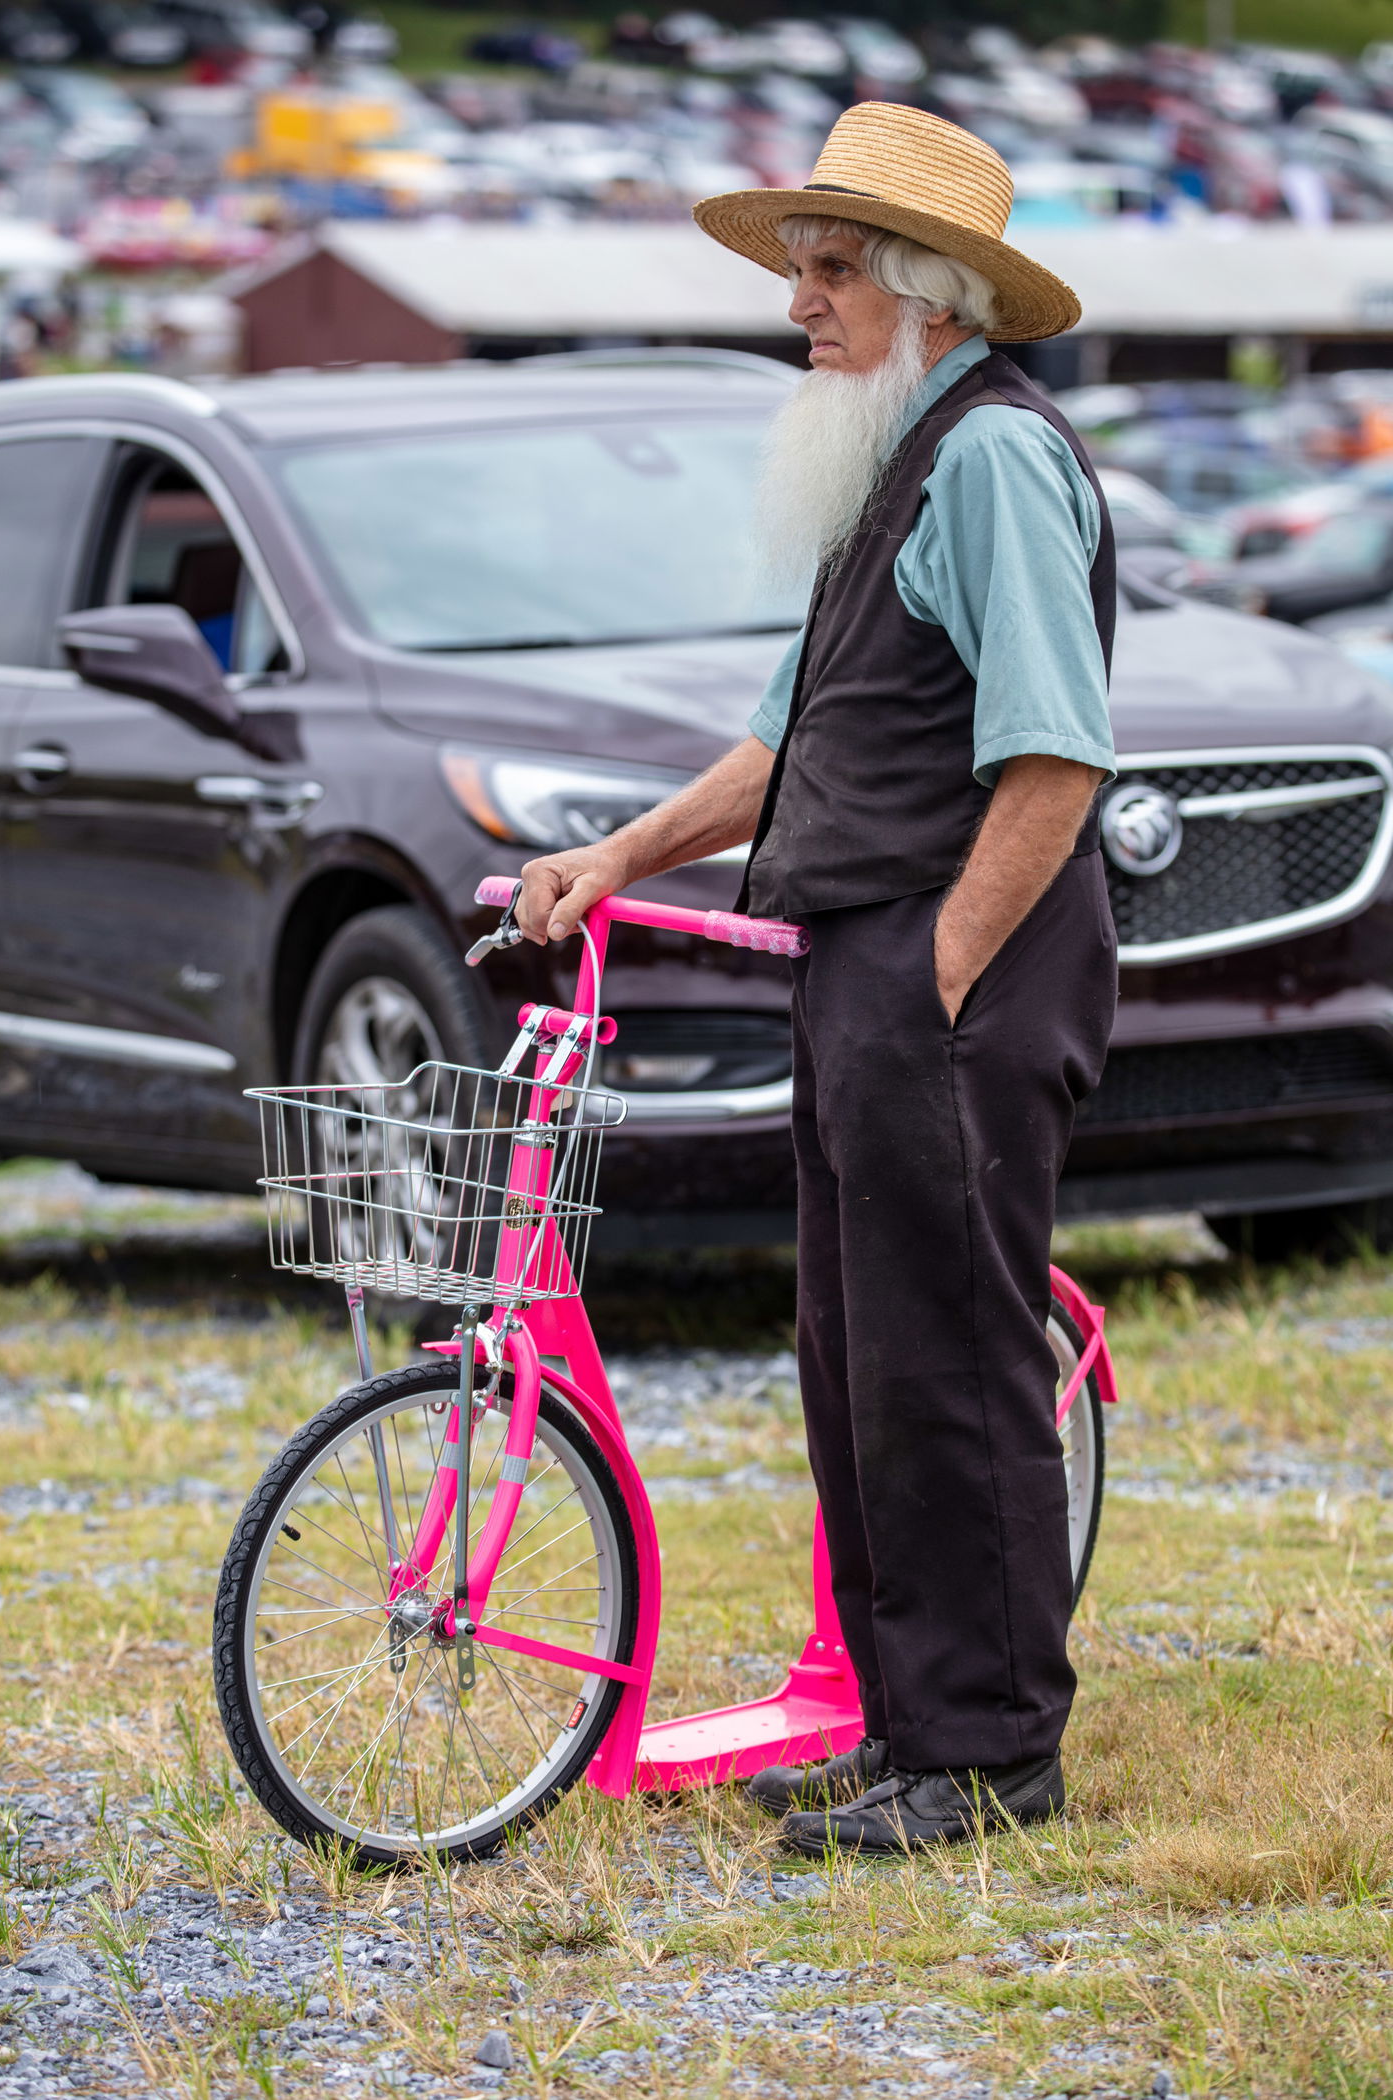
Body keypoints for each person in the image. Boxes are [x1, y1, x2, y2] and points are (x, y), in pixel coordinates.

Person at [516, 101, 1118, 1857]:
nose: (802, 304)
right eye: (801, 269)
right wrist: (619, 856)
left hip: (963, 960)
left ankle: (995, 1758)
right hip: (881, 964)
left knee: (945, 1355)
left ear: (934, 292)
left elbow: (1055, 762)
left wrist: (935, 977)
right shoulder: (896, 459)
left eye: (834, 268)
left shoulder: (992, 454)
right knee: (858, 1353)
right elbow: (786, 747)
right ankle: (912, 1727)